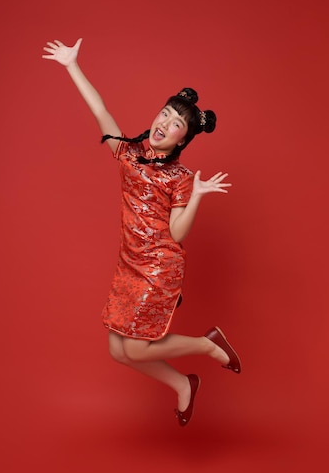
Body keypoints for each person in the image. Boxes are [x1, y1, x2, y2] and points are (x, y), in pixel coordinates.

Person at [42, 38, 241, 426]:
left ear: (182, 139)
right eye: (164, 115)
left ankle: (207, 343)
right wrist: (71, 65)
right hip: (129, 264)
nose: (164, 124)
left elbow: (177, 231)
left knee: (135, 345)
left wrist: (197, 195)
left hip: (159, 267)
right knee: (119, 351)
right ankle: (185, 384)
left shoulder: (181, 178)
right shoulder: (127, 154)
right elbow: (100, 108)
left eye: (176, 124)